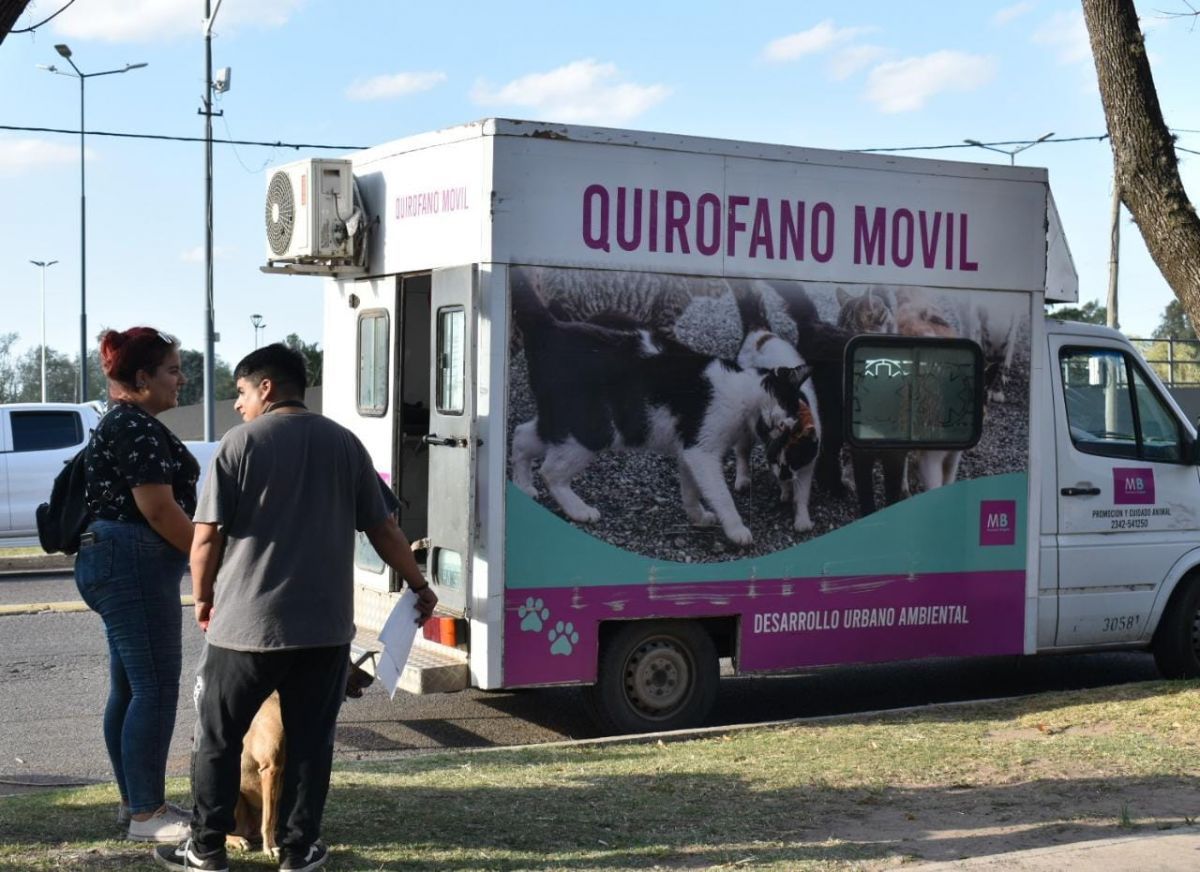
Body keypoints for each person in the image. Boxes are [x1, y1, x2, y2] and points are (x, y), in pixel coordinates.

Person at [155, 343, 436, 872]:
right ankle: (298, 849)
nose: (239, 405)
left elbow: (206, 536)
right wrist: (419, 584)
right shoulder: (345, 444)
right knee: (311, 744)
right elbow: (384, 528)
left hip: (245, 628)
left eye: (241, 392)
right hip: (324, 632)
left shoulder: (238, 444)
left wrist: (204, 597)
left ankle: (207, 849)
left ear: (266, 387)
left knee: (217, 738)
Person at [73, 327, 199, 843]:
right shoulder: (135, 427)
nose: (180, 380)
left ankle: (137, 804)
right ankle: (148, 815)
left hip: (115, 558)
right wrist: (209, 560)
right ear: (142, 378)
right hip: (132, 560)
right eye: (172, 370)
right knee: (154, 689)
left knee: (130, 688)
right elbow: (159, 509)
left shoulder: (123, 422)